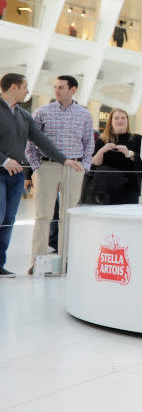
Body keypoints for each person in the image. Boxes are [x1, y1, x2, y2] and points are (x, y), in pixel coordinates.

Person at [0, 74, 80, 278]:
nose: (28, 91)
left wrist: (64, 160)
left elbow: (41, 141)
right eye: (25, 87)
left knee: (8, 220)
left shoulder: (23, 115)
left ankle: (0, 264)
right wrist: (4, 160)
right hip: (1, 171)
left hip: (15, 176)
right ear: (13, 87)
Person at [24, 75, 90, 271]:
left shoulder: (84, 114)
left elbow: (89, 143)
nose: (57, 91)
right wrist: (37, 167)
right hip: (48, 167)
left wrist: (85, 166)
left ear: (73, 89)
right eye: (55, 87)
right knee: (43, 216)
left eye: (61, 87)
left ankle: (66, 261)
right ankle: (38, 263)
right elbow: (30, 143)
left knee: (69, 216)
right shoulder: (42, 112)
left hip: (75, 169)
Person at [88, 108, 142, 204]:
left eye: (123, 118)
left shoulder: (137, 139)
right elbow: (95, 162)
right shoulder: (101, 140)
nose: (120, 121)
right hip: (106, 191)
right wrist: (102, 150)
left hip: (130, 189)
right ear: (111, 121)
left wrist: (129, 153)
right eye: (116, 118)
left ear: (127, 121)